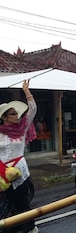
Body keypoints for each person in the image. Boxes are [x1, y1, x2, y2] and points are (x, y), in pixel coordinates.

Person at [0, 80, 38, 233]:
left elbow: (33, 109)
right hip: (2, 175)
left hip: (20, 173)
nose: (16, 116)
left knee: (22, 203)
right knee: (6, 203)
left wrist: (26, 91)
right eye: (13, 113)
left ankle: (30, 229)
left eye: (16, 113)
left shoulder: (22, 129)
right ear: (4, 117)